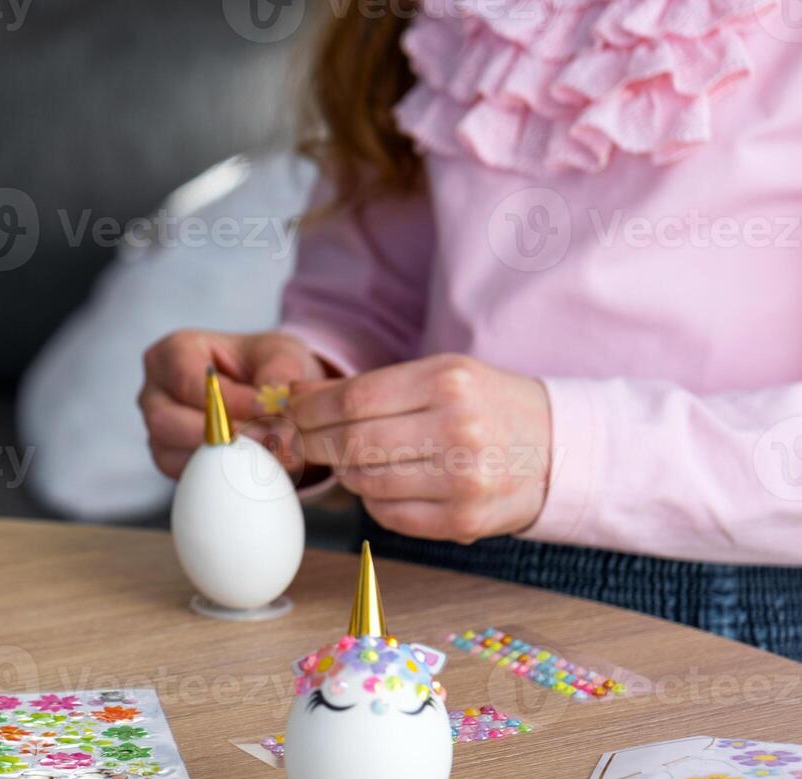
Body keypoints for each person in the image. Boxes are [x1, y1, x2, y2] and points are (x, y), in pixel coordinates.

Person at [140, 0, 802, 657]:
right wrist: (312, 386)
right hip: (414, 565)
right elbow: (377, 302)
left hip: (727, 605)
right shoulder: (440, 17)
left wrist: (557, 453)